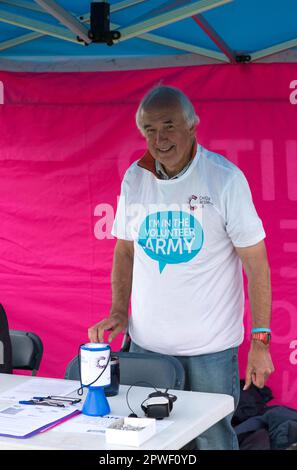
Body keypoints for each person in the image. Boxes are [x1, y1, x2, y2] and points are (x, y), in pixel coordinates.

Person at [88, 85, 274, 450]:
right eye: (149, 130)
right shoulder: (135, 178)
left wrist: (260, 340)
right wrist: (118, 311)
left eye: (168, 126)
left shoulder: (224, 179)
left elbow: (258, 265)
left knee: (213, 439)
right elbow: (125, 250)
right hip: (146, 348)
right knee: (146, 440)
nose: (159, 139)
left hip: (211, 352)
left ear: (193, 127)